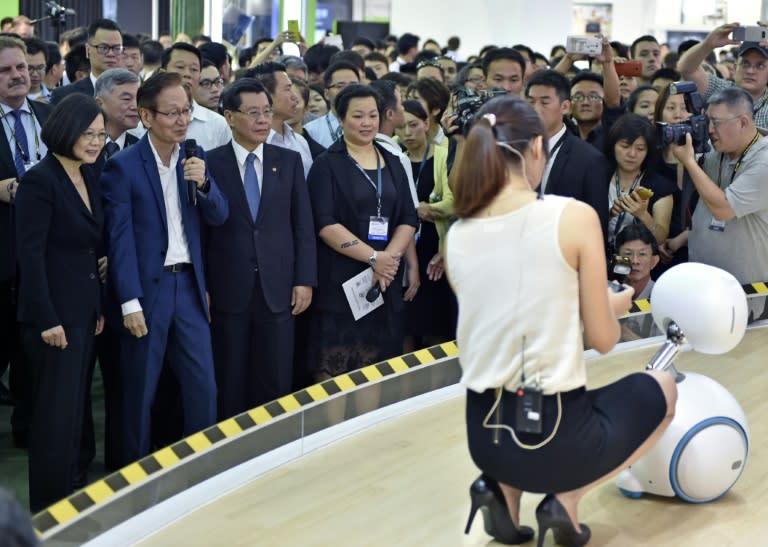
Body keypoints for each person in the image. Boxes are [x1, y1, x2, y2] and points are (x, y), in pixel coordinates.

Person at [445, 95, 676, 547]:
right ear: (536, 149)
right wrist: (608, 308)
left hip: (484, 434)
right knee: (664, 390)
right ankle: (565, 500)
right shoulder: (572, 217)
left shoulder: (459, 232)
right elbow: (605, 340)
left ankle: (500, 493)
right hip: (554, 436)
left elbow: (506, 316)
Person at [100, 72, 228, 464]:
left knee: (203, 387)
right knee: (140, 392)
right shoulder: (123, 166)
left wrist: (204, 185)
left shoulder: (195, 156)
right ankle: (131, 480)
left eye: (186, 111)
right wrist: (129, 302)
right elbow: (119, 241)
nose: (181, 120)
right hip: (147, 292)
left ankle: (199, 468)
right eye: (171, 113)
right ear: (146, 115)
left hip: (188, 287)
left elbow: (220, 215)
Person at [15, 93, 106, 512]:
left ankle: (70, 498)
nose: (96, 142)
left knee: (74, 410)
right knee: (53, 416)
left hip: (84, 313)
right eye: (88, 134)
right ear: (65, 130)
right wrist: (46, 318)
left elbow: (90, 250)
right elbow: (29, 257)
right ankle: (48, 510)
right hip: (53, 318)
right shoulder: (40, 180)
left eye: (101, 134)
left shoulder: (88, 175)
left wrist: (98, 308)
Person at [205, 78, 316, 418]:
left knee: (276, 379)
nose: (263, 120)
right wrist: (204, 287)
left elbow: (303, 226)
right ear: (229, 116)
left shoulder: (289, 161)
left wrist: (304, 279)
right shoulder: (210, 163)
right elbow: (202, 232)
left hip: (278, 287)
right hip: (228, 288)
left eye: (267, 112)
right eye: (252, 113)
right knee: (230, 379)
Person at [306, 85, 418, 380]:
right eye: (357, 116)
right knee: (336, 365)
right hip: (342, 278)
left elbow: (408, 216)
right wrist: (372, 258)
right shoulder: (326, 165)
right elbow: (325, 224)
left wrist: (388, 260)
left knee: (377, 367)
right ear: (341, 119)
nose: (367, 123)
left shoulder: (393, 161)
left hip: (384, 279)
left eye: (373, 115)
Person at [0, 35, 54, 448]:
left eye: (22, 68)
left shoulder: (49, 116)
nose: (19, 76)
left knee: (35, 359)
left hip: (45, 260)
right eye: (6, 71)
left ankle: (29, 431)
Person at [671, 86, 768, 291]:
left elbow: (723, 209)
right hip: (702, 281)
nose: (710, 129)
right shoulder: (719, 149)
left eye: (716, 122)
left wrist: (688, 161)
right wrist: (684, 151)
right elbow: (685, 183)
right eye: (707, 121)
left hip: (747, 289)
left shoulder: (764, 162)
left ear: (743, 122)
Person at [397, 100, 455, 350]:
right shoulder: (394, 157)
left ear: (426, 123)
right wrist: (415, 210)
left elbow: (454, 201)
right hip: (403, 248)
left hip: (436, 248)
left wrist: (429, 209)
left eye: (413, 125)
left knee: (435, 325)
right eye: (401, 127)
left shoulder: (443, 154)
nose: (407, 133)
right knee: (405, 326)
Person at [525, 69, 610, 237]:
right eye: (531, 102)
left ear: (565, 107)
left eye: (544, 102)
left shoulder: (589, 159)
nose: (535, 109)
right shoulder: (514, 150)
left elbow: (596, 225)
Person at [677, 24, 768, 130]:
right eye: (745, 64)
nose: (750, 71)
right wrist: (707, 44)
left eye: (760, 66)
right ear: (734, 68)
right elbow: (687, 69)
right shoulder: (721, 91)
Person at [606, 113, 676, 249]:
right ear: (613, 145)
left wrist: (643, 215)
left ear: (648, 152)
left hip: (640, 261)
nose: (632, 154)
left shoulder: (660, 187)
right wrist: (609, 214)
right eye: (625, 146)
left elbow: (661, 238)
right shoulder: (599, 178)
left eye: (640, 149)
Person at [161, 43, 230, 151]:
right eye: (180, 67)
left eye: (194, 69)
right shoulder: (146, 121)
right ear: (163, 73)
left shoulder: (219, 125)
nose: (187, 74)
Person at [51, 19, 123, 104]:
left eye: (117, 48)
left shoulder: (133, 92)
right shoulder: (65, 95)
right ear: (88, 50)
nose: (111, 54)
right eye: (103, 48)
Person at [614, 224, 662, 340]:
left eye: (642, 254)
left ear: (654, 261)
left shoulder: (662, 297)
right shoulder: (608, 293)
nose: (635, 261)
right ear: (617, 260)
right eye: (628, 254)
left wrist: (622, 331)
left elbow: (660, 349)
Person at [304, 61, 360, 148]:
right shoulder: (311, 131)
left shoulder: (370, 126)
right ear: (326, 94)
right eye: (340, 86)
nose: (348, 91)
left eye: (353, 85)